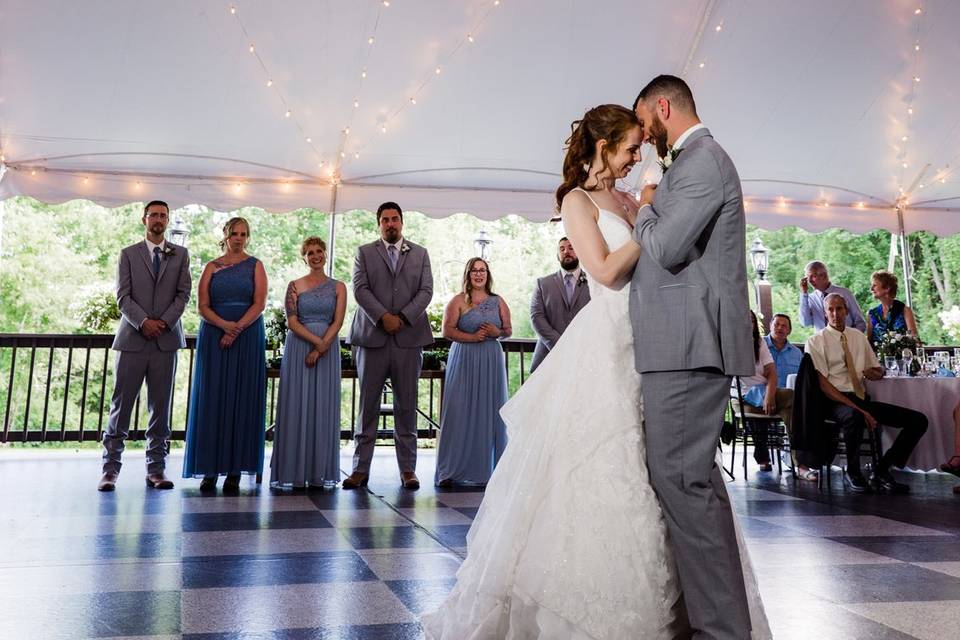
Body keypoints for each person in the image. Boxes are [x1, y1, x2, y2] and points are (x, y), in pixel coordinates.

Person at [421, 104, 769, 639]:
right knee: (600, 459)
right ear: (603, 146)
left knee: (660, 469)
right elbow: (605, 271)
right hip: (607, 338)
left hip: (652, 337)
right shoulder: (577, 201)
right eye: (630, 147)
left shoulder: (632, 198)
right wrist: (648, 218)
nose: (636, 158)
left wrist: (646, 212)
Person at [632, 74, 765, 639]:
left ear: (664, 108)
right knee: (691, 483)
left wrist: (643, 204)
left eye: (643, 123)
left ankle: (723, 632)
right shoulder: (691, 164)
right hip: (677, 343)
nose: (643, 137)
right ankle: (710, 623)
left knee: (683, 482)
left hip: (688, 344)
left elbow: (663, 247)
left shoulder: (703, 160)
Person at [98, 200, 191, 492]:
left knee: (161, 408)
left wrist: (162, 322)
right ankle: (110, 470)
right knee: (120, 406)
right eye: (154, 215)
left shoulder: (181, 254)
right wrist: (144, 322)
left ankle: (157, 470)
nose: (159, 219)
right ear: (144, 219)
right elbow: (122, 296)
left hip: (165, 341)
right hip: (132, 340)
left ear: (167, 220)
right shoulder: (128, 254)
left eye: (164, 215)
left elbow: (183, 294)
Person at [345, 202, 433, 490]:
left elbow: (426, 290)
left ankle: (408, 469)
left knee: (406, 406)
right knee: (367, 406)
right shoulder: (364, 253)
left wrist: (404, 317)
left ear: (402, 222)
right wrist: (383, 317)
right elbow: (360, 289)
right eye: (385, 220)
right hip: (372, 337)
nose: (390, 224)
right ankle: (360, 469)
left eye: (395, 219)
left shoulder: (420, 253)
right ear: (378, 223)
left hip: (408, 338)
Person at [803, 293, 928, 494]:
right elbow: (823, 385)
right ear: (825, 314)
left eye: (839, 309)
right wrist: (860, 410)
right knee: (854, 416)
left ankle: (882, 469)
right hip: (833, 401)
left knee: (918, 420)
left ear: (847, 310)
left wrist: (875, 372)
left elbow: (875, 369)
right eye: (831, 310)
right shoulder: (815, 341)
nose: (835, 314)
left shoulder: (858, 337)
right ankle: (852, 472)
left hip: (860, 398)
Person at [182, 217, 268, 493]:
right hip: (214, 335)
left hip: (248, 335)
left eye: (244, 234)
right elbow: (202, 306)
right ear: (226, 235)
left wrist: (238, 328)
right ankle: (209, 468)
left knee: (242, 398)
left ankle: (234, 470)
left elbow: (260, 303)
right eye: (235, 233)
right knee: (213, 398)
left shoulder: (256, 265)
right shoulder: (211, 267)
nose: (239, 238)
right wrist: (224, 326)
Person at [270, 237, 347, 489]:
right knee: (296, 405)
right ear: (303, 258)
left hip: (327, 347)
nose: (315, 256)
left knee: (323, 405)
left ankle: (318, 472)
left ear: (325, 254)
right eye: (310, 252)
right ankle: (294, 471)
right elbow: (292, 322)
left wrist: (323, 346)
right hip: (300, 347)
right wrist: (317, 343)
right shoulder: (294, 286)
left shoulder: (339, 287)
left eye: (319, 251)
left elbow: (338, 321)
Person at [434, 257, 511, 487]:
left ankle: (489, 471)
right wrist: (471, 337)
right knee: (459, 410)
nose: (479, 274)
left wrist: (498, 331)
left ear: (488, 274)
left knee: (490, 411)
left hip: (491, 360)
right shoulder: (458, 301)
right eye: (474, 271)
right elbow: (447, 330)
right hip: (464, 358)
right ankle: (451, 470)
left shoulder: (498, 301)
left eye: (483, 270)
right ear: (468, 275)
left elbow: (508, 330)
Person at [734, 312, 794, 472]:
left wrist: (769, 396)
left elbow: (771, 373)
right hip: (744, 396)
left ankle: (797, 460)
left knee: (792, 407)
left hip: (768, 391)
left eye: (752, 321)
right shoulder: (731, 344)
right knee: (792, 398)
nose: (748, 324)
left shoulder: (759, 343)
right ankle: (796, 462)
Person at [764, 313, 815, 479]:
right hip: (763, 397)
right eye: (776, 324)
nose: (780, 328)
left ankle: (800, 464)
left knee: (795, 415)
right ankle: (763, 454)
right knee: (796, 406)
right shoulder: (759, 346)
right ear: (770, 325)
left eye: (784, 325)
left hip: (787, 401)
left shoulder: (796, 353)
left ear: (790, 330)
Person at [529, 237, 590, 372]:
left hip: (582, 354)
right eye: (562, 249)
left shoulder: (592, 282)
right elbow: (536, 317)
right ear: (558, 256)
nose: (566, 251)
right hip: (548, 355)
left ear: (579, 251)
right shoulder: (543, 284)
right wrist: (559, 344)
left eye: (571, 247)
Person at [798, 260, 866, 331]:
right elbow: (805, 323)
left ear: (824, 276)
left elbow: (860, 322)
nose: (809, 281)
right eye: (808, 277)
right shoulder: (810, 298)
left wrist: (852, 338)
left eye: (812, 276)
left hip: (846, 338)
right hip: (822, 341)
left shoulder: (844, 293)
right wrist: (804, 294)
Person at [866, 269, 919, 349]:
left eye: (874, 285)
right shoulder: (872, 314)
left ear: (887, 288)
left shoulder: (904, 310)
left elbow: (915, 341)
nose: (871, 289)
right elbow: (868, 344)